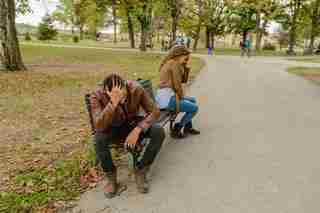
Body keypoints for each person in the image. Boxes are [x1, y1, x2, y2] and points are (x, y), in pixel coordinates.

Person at [90, 74, 165, 198]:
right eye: (114, 94)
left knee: (158, 131)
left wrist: (138, 129)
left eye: (122, 91)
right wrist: (112, 104)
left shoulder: (136, 88)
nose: (120, 96)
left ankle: (141, 169)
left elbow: (155, 111)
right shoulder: (97, 96)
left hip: (132, 124)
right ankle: (111, 177)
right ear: (106, 92)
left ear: (126, 85)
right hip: (111, 127)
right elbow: (99, 126)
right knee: (99, 139)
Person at [156, 45, 200, 139]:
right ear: (179, 55)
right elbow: (177, 85)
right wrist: (181, 96)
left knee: (192, 100)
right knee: (195, 108)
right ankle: (178, 127)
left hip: (165, 97)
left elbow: (181, 81)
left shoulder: (170, 62)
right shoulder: (174, 64)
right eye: (186, 57)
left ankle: (188, 127)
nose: (187, 59)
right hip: (168, 100)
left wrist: (183, 66)